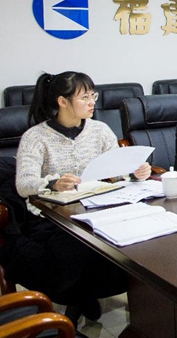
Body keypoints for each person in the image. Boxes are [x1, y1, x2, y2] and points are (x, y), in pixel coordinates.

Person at [12, 71, 150, 323]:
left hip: (96, 208)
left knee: (134, 238)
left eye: (93, 96)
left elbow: (116, 170)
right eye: (84, 97)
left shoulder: (100, 130)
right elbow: (23, 184)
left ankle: (109, 296)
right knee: (75, 248)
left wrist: (135, 171)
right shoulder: (36, 137)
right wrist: (52, 183)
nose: (92, 102)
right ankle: (78, 298)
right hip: (53, 217)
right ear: (62, 101)